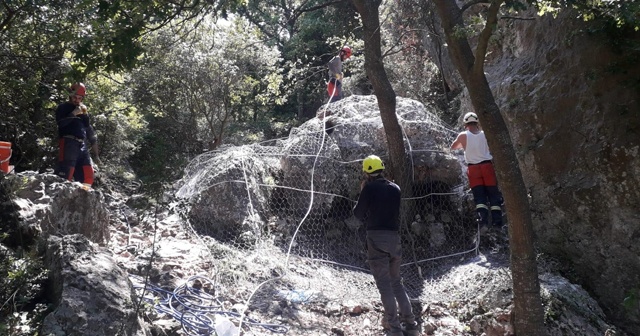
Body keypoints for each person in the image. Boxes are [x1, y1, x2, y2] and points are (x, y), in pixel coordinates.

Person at [353, 155, 420, 336]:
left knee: (384, 284)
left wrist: (363, 192)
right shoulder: (395, 188)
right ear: (381, 169)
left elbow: (358, 214)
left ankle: (395, 328)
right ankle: (411, 324)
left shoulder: (369, 188)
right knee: (396, 282)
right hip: (394, 238)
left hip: (376, 237)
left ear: (367, 172)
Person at [450, 112, 503, 230]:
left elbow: (453, 147)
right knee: (493, 195)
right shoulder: (485, 134)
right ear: (477, 122)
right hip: (487, 167)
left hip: (473, 169)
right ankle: (497, 223)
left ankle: (482, 222)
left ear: (465, 124)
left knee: (479, 197)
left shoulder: (463, 135)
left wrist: (465, 145)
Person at [54, 82, 100, 188]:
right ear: (70, 95)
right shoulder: (63, 107)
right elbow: (61, 124)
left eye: (80, 98)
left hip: (82, 146)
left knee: (88, 176)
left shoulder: (83, 111)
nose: (77, 100)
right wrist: (73, 113)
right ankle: (60, 199)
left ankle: (83, 201)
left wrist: (96, 154)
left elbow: (89, 131)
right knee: (66, 175)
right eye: (75, 97)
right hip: (68, 143)